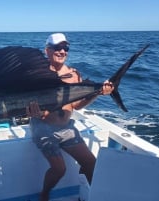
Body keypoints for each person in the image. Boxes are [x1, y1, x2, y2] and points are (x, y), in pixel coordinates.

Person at [26, 33, 114, 201]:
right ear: (47, 50)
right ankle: (44, 195)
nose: (62, 51)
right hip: (42, 128)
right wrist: (32, 112)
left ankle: (91, 194)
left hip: (67, 128)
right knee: (59, 169)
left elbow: (76, 105)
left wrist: (97, 93)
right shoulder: (37, 75)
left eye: (65, 48)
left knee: (91, 163)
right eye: (57, 48)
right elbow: (27, 104)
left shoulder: (74, 74)